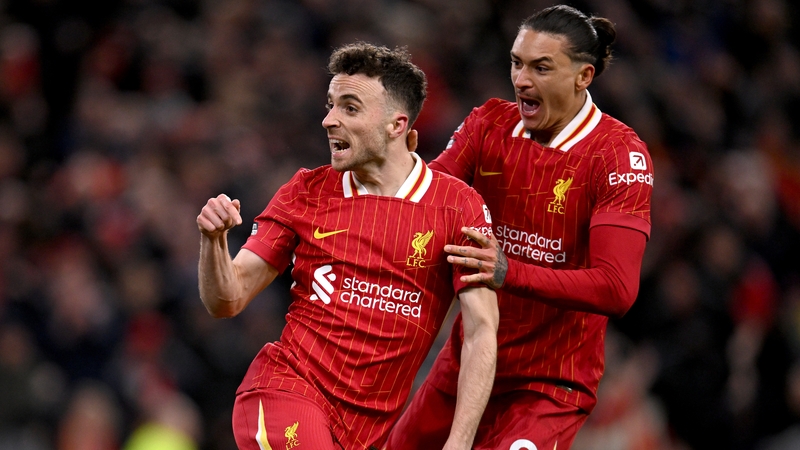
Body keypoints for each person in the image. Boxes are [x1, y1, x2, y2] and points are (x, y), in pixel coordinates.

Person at [196, 42, 499, 450]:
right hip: (285, 391)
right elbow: (227, 300)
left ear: (396, 124)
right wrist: (214, 241)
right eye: (330, 105)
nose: (328, 120)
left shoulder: (458, 207)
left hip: (362, 434)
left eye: (349, 108)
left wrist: (459, 444)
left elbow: (482, 329)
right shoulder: (306, 191)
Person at [387, 5, 653, 450]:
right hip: (469, 361)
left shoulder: (618, 156)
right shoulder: (489, 124)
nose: (521, 80)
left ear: (583, 76)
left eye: (541, 67)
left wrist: (509, 272)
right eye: (516, 62)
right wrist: (387, 165)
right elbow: (426, 203)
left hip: (548, 386)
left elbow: (617, 289)